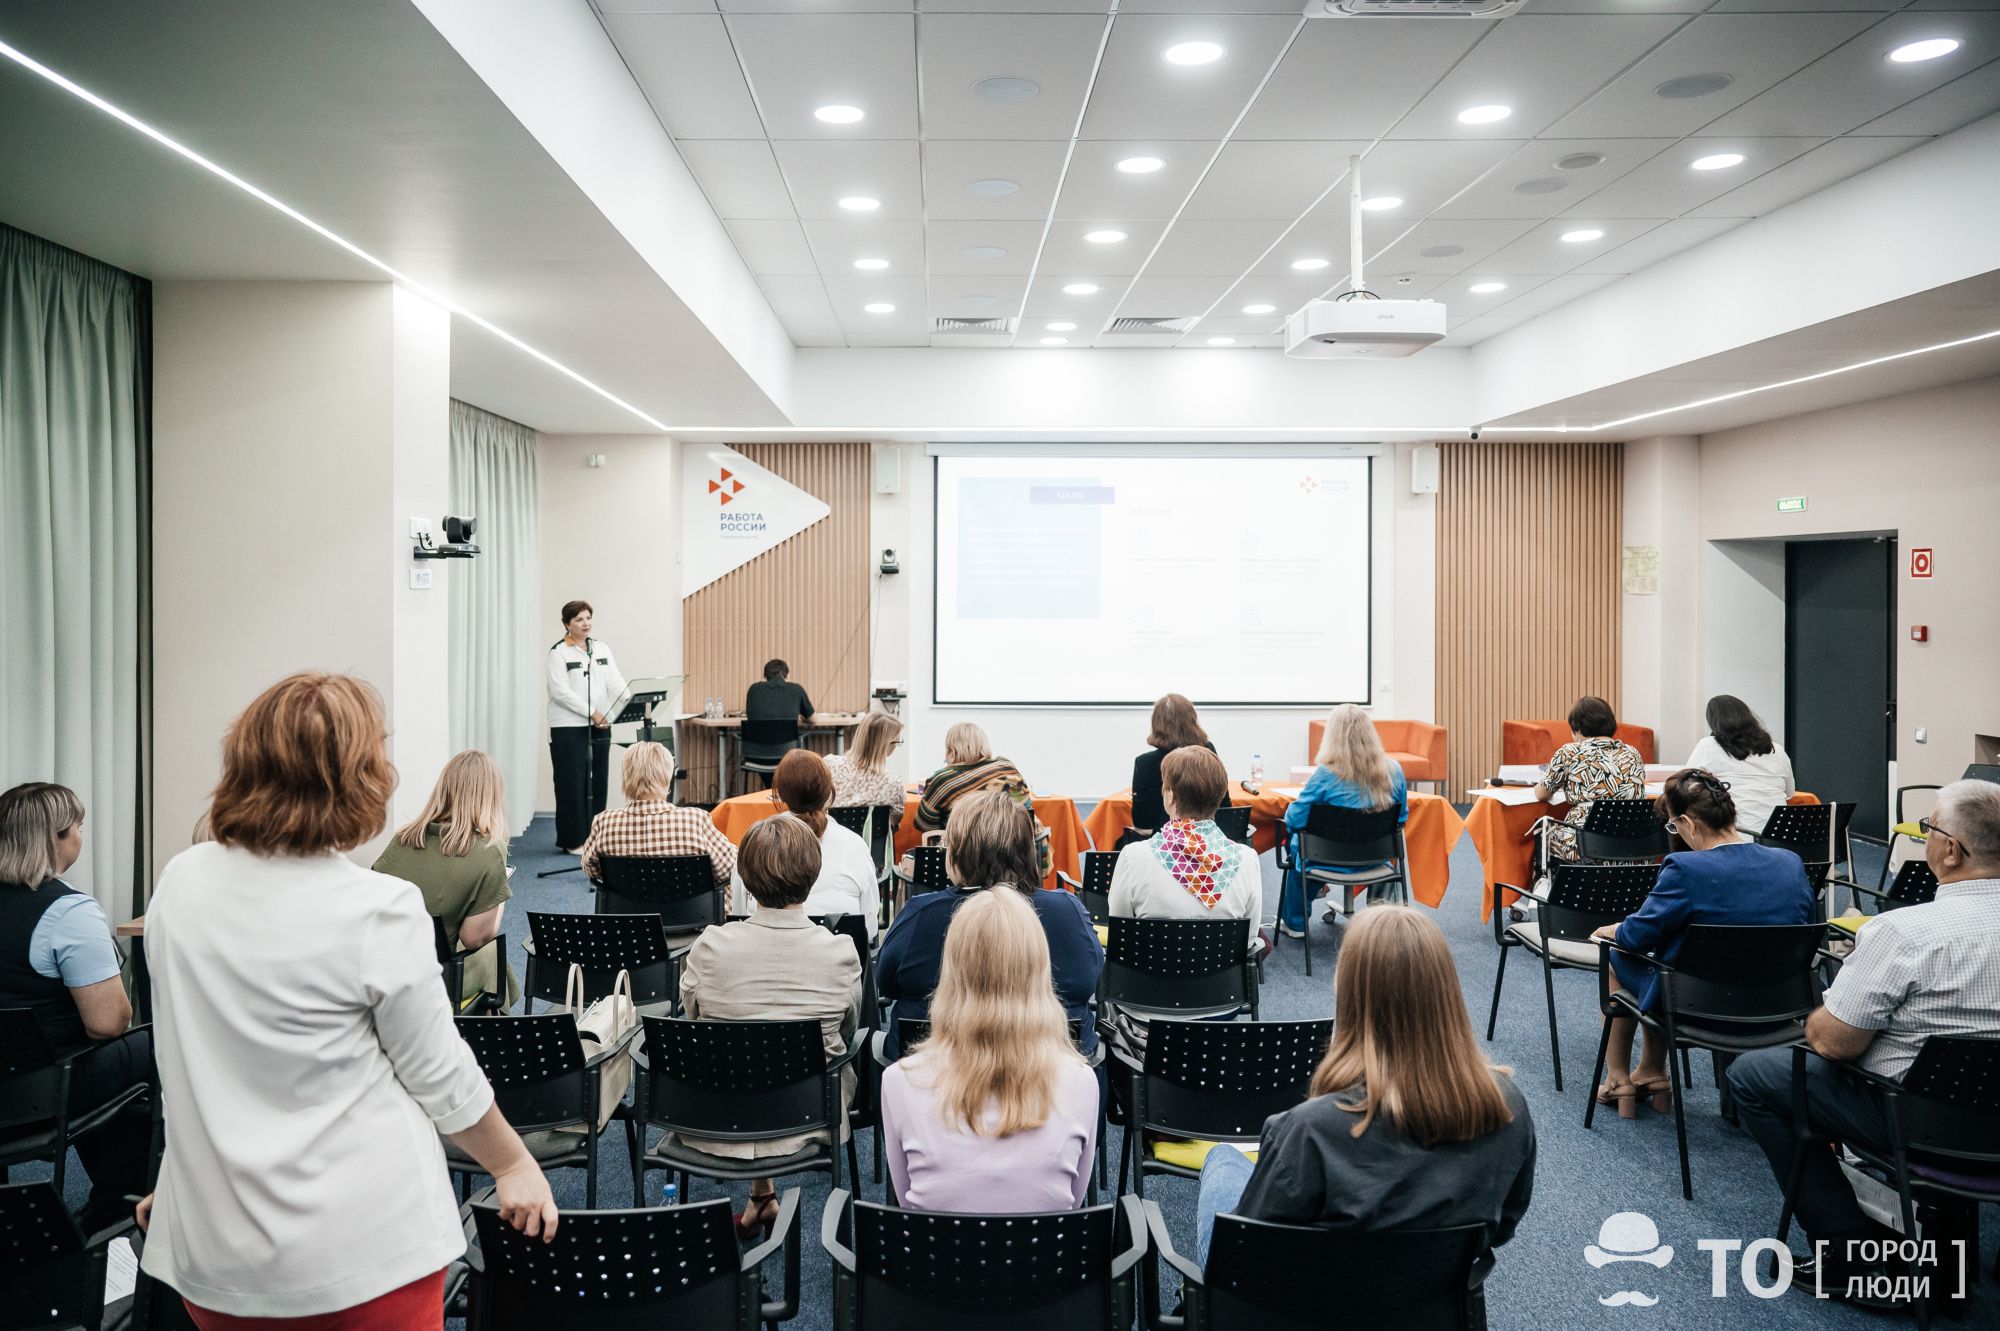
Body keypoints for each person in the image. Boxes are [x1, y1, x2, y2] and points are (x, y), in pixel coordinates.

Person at [137, 673, 557, 1327]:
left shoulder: (178, 883)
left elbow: (191, 1053)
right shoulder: (378, 909)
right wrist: (511, 1161)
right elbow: (440, 1075)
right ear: (362, 777)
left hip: (212, 1250)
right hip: (363, 1257)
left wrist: (181, 1172)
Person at [1727, 778, 2000, 1304]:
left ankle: (1850, 1254)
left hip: (1916, 1117)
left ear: (1950, 850)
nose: (1925, 839)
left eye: (1929, 829)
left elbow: (1833, 1044)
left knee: (1754, 1076)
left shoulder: (1904, 933)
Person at [1192, 906, 1536, 1270]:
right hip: (1431, 1304)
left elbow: (1246, 1260)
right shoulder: (1506, 1105)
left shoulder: (1310, 1129)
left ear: (1347, 990)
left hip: (1308, 1306)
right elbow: (1501, 1227)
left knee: (1224, 1159)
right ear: (1446, 988)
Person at [1587, 769, 1816, 1116]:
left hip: (1698, 1007)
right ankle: (1651, 1071)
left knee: (1616, 957)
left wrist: (1612, 929)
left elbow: (1636, 937)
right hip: (1780, 1008)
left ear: (1688, 824)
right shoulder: (1790, 862)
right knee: (1670, 959)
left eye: (1674, 827)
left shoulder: (1685, 869)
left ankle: (1619, 1078)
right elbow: (1806, 927)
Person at [678, 814, 862, 1239]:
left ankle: (761, 1197)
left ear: (745, 877)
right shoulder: (839, 954)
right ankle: (763, 1197)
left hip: (716, 1111)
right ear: (812, 876)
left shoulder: (709, 947)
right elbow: (849, 1030)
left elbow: (694, 1018)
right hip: (809, 1113)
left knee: (746, 1048)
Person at [880, 888, 1099, 1212]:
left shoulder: (899, 1081)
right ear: (1039, 969)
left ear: (952, 969)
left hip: (931, 1259)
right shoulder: (1082, 1082)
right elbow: (1074, 1200)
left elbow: (905, 1200)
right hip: (1046, 1260)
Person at [0, 782, 152, 1229]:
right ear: (58, 838)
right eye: (79, 826)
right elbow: (109, 1024)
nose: (81, 835)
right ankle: (122, 1203)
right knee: (157, 1046)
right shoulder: (68, 913)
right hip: (39, 1094)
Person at [877, 790, 1101, 1060]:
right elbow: (1091, 979)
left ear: (958, 852)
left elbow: (886, 983)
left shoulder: (921, 914)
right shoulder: (1068, 911)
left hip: (937, 1075)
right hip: (1051, 1075)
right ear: (1027, 850)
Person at [372, 750, 520, 1011]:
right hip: (439, 977)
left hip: (385, 967)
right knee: (494, 959)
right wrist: (500, 898)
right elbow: (475, 938)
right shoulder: (487, 854)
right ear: (492, 797)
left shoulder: (400, 841)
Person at [1279, 703, 1408, 938]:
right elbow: (1401, 820)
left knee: (1296, 842)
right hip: (1376, 861)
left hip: (1325, 861)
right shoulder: (1394, 771)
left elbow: (1295, 820)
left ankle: (1296, 922)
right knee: (1392, 843)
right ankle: (1384, 918)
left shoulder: (1325, 775)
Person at [729, 750, 880, 938]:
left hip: (764, 957)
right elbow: (870, 928)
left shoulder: (755, 842)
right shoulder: (854, 845)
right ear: (828, 793)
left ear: (780, 795)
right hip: (838, 960)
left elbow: (740, 916)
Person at [579, 741, 735, 884]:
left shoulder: (604, 822)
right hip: (691, 913)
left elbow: (591, 869)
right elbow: (729, 868)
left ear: (626, 778)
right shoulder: (695, 820)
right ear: (667, 777)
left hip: (628, 912)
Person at [547, 600, 626, 852]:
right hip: (568, 726)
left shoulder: (601, 649)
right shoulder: (558, 652)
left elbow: (615, 680)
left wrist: (631, 701)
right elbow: (561, 692)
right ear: (567, 624)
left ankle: (596, 837)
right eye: (579, 619)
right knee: (572, 782)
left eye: (589, 618)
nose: (586, 623)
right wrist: (592, 713)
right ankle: (573, 840)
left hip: (601, 724)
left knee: (598, 781)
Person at [1533, 695, 1645, 865]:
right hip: (1632, 847)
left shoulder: (1569, 752)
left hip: (1586, 848)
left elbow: (1542, 793)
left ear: (1578, 730)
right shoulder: (1632, 753)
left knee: (1543, 832)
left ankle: (1548, 888)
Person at [1684, 695, 1796, 835]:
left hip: (1735, 836)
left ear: (1714, 722)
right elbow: (1789, 793)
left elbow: (1684, 786)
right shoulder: (1777, 749)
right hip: (1779, 839)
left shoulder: (1708, 745)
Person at [1130, 693, 1221, 836]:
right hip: (1210, 839)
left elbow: (1143, 826)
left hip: (1162, 846)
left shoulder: (1144, 763)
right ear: (1192, 720)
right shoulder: (1207, 752)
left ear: (1156, 724)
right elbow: (1224, 805)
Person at [915, 722, 1031, 833]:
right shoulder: (1006, 766)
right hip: (1018, 846)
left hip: (967, 850)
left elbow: (924, 824)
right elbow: (1026, 807)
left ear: (952, 750)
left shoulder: (943, 781)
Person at [826, 710, 906, 811]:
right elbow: (894, 821)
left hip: (830, 826)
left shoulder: (829, 765)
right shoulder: (893, 784)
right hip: (871, 827)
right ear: (885, 745)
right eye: (897, 741)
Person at [745, 658, 814, 723]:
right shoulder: (796, 689)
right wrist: (803, 717)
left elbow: (750, 716)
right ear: (784, 674)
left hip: (757, 735)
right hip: (787, 735)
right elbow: (813, 719)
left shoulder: (754, 689)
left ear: (765, 676)